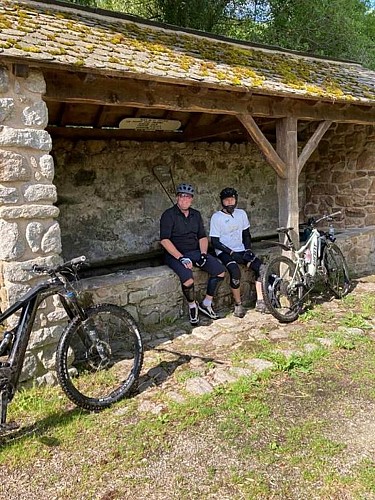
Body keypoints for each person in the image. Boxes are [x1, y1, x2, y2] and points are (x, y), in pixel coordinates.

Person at [160, 182, 226, 325]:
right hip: (175, 255)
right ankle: (192, 306)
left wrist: (203, 254)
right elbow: (164, 240)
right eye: (182, 197)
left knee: (220, 271)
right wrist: (181, 258)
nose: (185, 200)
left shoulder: (196, 215)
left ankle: (206, 303)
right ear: (177, 198)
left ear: (192, 199)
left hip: (195, 252)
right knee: (188, 279)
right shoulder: (168, 215)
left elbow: (202, 236)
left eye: (188, 197)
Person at [209, 187, 267, 317]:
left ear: (236, 200)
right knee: (235, 271)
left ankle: (260, 300)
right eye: (226, 200)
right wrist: (230, 252)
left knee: (261, 268)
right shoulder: (216, 217)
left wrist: (248, 250)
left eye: (232, 199)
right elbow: (215, 242)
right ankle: (238, 304)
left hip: (240, 249)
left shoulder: (241, 214)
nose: (230, 202)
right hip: (224, 251)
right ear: (222, 202)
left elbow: (246, 235)